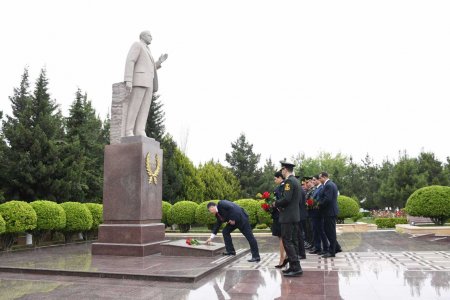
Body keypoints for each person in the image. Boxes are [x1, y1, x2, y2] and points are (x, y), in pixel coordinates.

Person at [123, 30, 168, 137]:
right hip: (139, 81)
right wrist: (128, 79)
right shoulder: (137, 45)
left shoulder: (148, 50)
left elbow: (150, 68)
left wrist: (159, 62)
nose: (151, 38)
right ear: (143, 36)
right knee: (134, 106)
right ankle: (129, 130)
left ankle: (140, 130)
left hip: (149, 83)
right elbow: (130, 61)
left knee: (144, 108)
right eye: (149, 35)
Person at [273, 161, 303, 277]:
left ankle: (296, 267)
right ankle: (294, 266)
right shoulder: (296, 181)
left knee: (287, 241)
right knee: (293, 241)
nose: (282, 172)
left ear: (285, 170)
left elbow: (286, 199)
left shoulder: (289, 181)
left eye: (282, 170)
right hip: (295, 215)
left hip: (288, 217)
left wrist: (276, 203)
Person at [317, 171, 342, 258]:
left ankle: (332, 251)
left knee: (330, 231)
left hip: (329, 212)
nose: (319, 180)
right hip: (329, 212)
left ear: (324, 177)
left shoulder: (329, 185)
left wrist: (319, 204)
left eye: (320, 178)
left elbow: (327, 199)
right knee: (329, 231)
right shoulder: (330, 184)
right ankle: (337, 247)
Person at [309, 174, 329, 255]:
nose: (313, 181)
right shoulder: (316, 188)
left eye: (314, 180)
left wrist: (313, 203)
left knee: (321, 231)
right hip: (314, 212)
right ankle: (317, 248)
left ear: (318, 180)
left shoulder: (321, 188)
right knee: (315, 231)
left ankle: (325, 248)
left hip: (318, 213)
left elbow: (318, 199)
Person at [272, 170, 287, 268]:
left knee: (282, 237)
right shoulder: (279, 187)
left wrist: (275, 204)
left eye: (275, 178)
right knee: (282, 237)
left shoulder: (283, 187)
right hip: (279, 215)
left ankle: (283, 258)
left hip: (281, 215)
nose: (274, 180)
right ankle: (284, 257)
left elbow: (282, 200)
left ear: (280, 178)